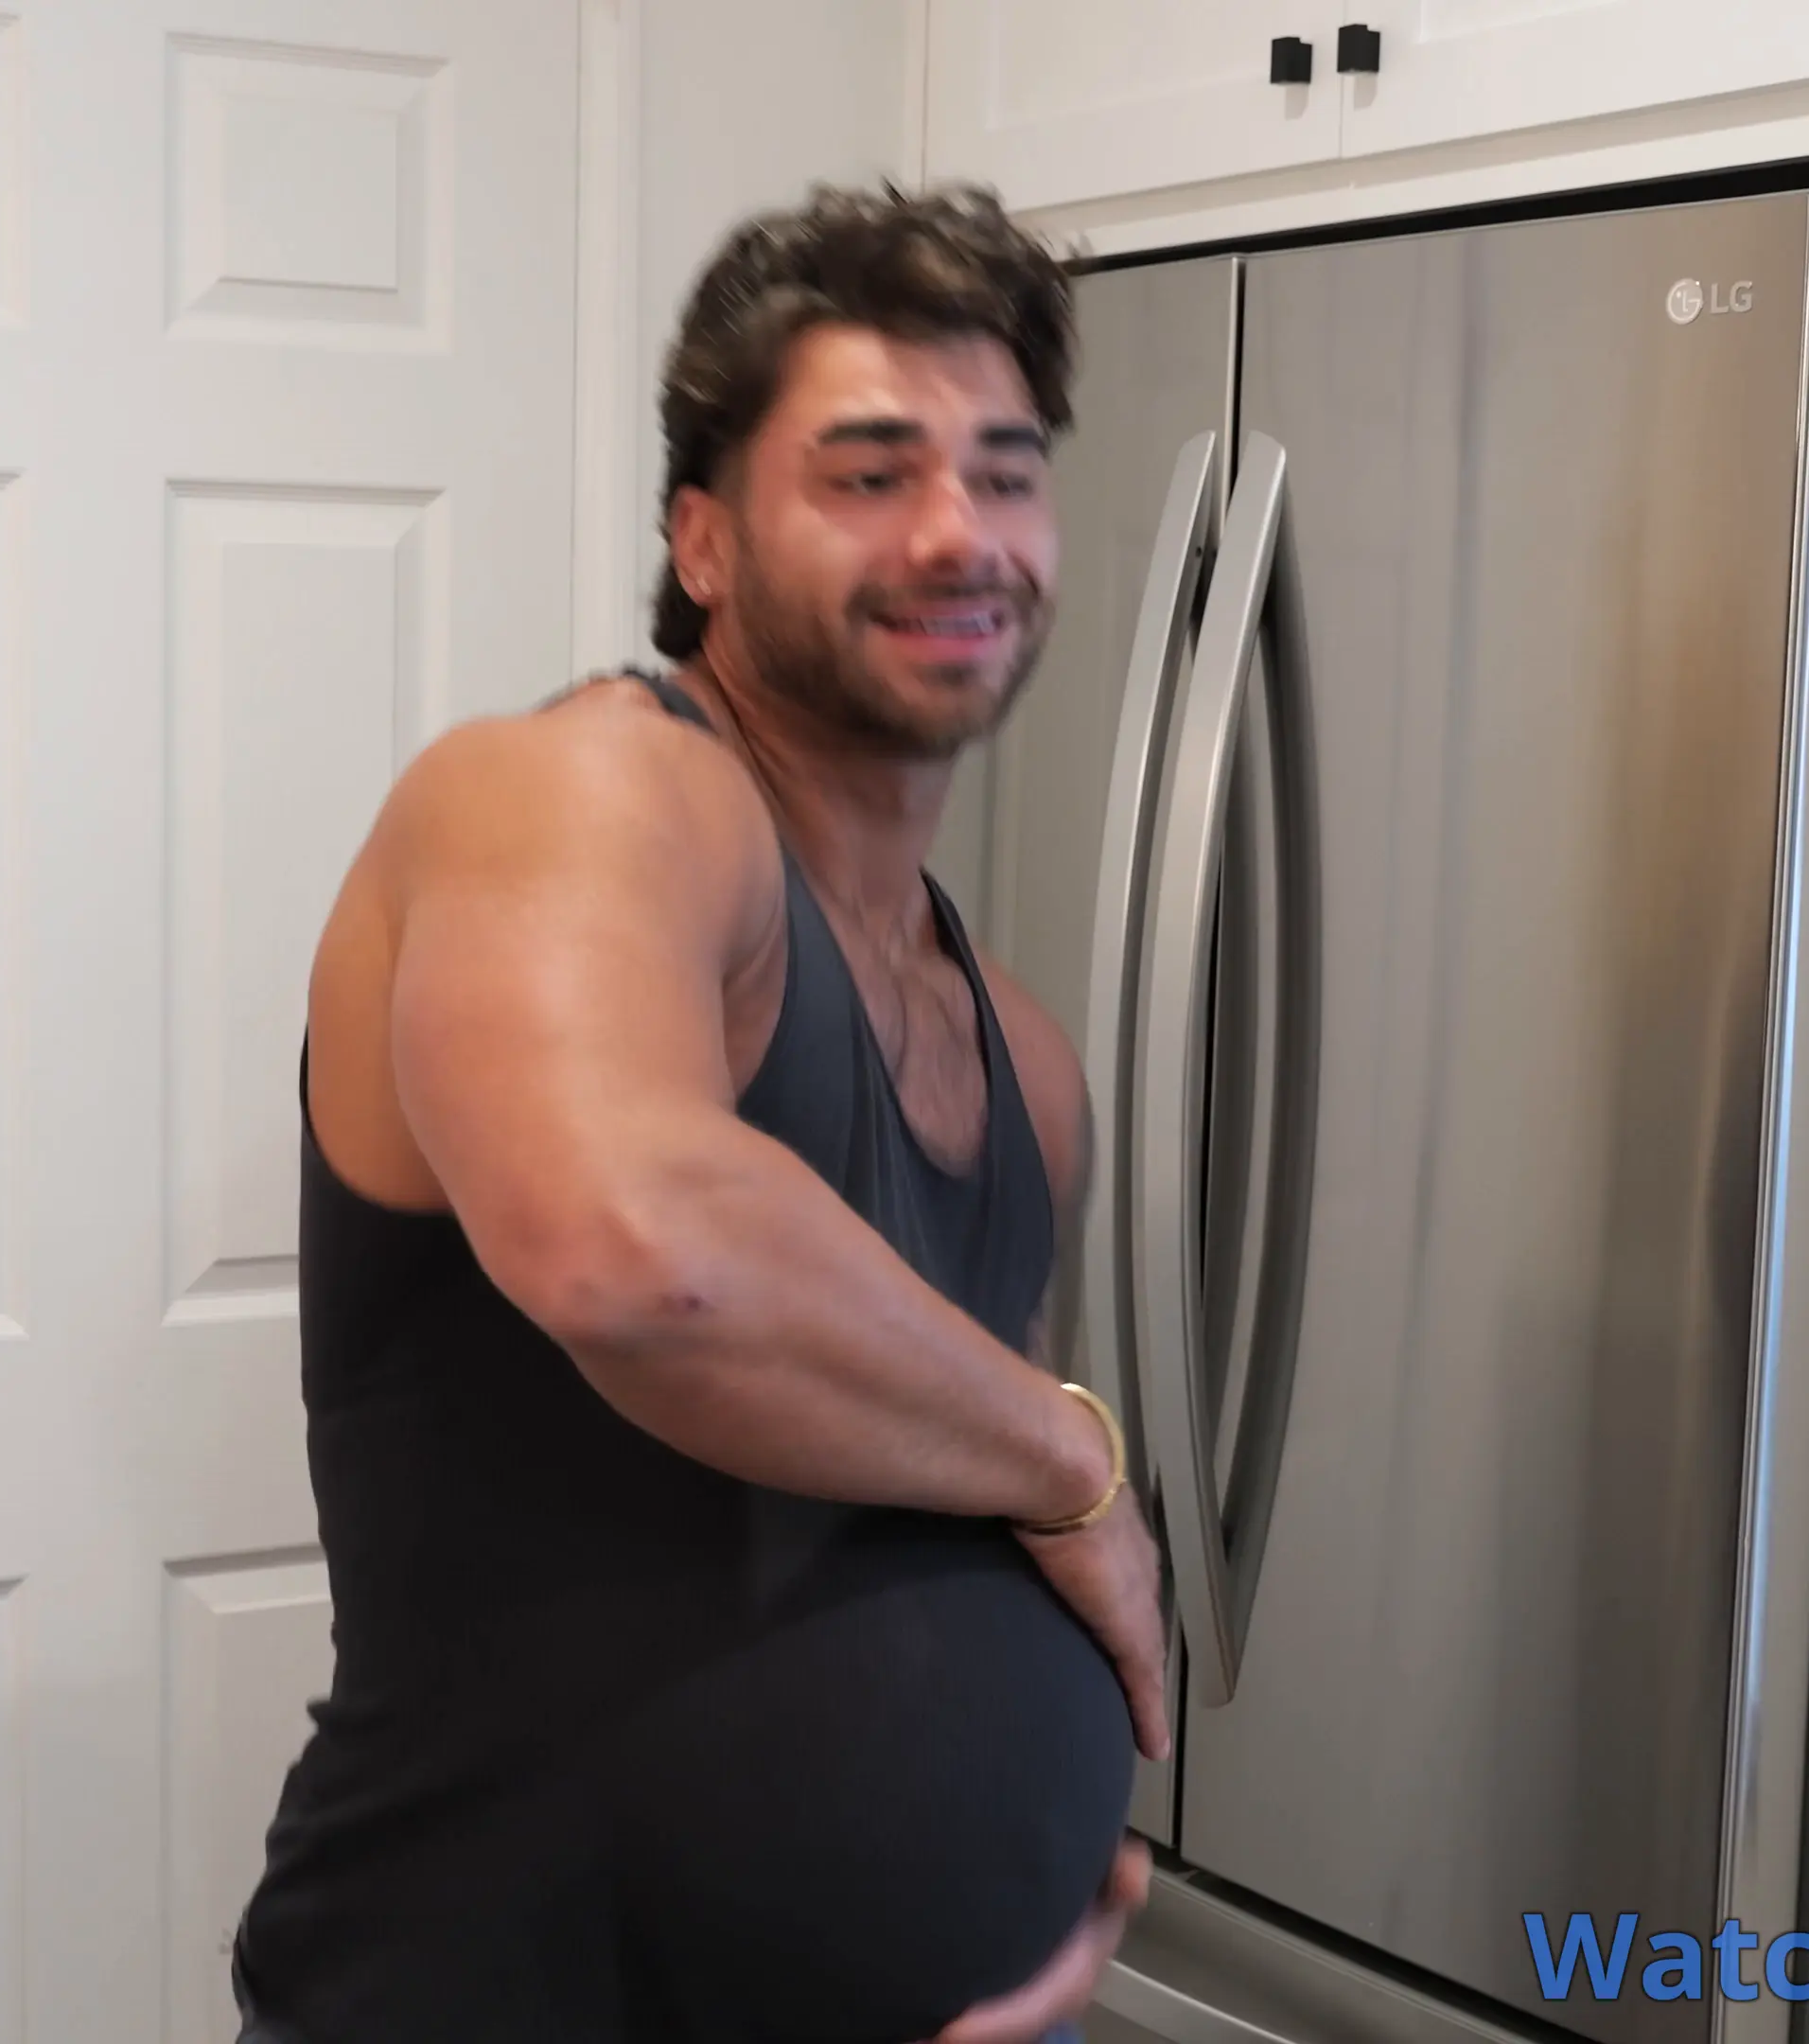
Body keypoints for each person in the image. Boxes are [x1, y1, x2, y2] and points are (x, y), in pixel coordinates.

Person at [235, 183, 1166, 2044]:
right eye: (870, 472)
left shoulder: (1022, 1058)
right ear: (705, 539)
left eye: (1005, 473)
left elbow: (927, 1478)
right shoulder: (575, 795)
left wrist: (1047, 1892)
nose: (957, 532)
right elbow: (643, 1253)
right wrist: (1079, 1464)